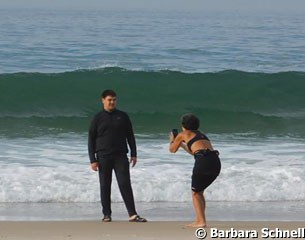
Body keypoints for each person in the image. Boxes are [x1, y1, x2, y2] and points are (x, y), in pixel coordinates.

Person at [88, 89, 147, 223]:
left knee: (125, 184)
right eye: (109, 100)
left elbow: (130, 135)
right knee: (105, 185)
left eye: (114, 100)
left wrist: (134, 154)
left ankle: (132, 214)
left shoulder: (123, 116)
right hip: (103, 156)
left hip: (120, 155)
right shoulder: (97, 118)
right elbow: (91, 139)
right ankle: (106, 214)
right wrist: (92, 159)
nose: (112, 102)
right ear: (103, 100)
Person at [169, 113, 221, 228]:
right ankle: (200, 220)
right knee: (199, 192)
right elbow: (194, 151)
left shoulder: (183, 134)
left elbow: (172, 150)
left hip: (203, 162)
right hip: (215, 161)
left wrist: (172, 140)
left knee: (196, 193)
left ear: (183, 126)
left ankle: (201, 222)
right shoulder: (202, 135)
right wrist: (183, 145)